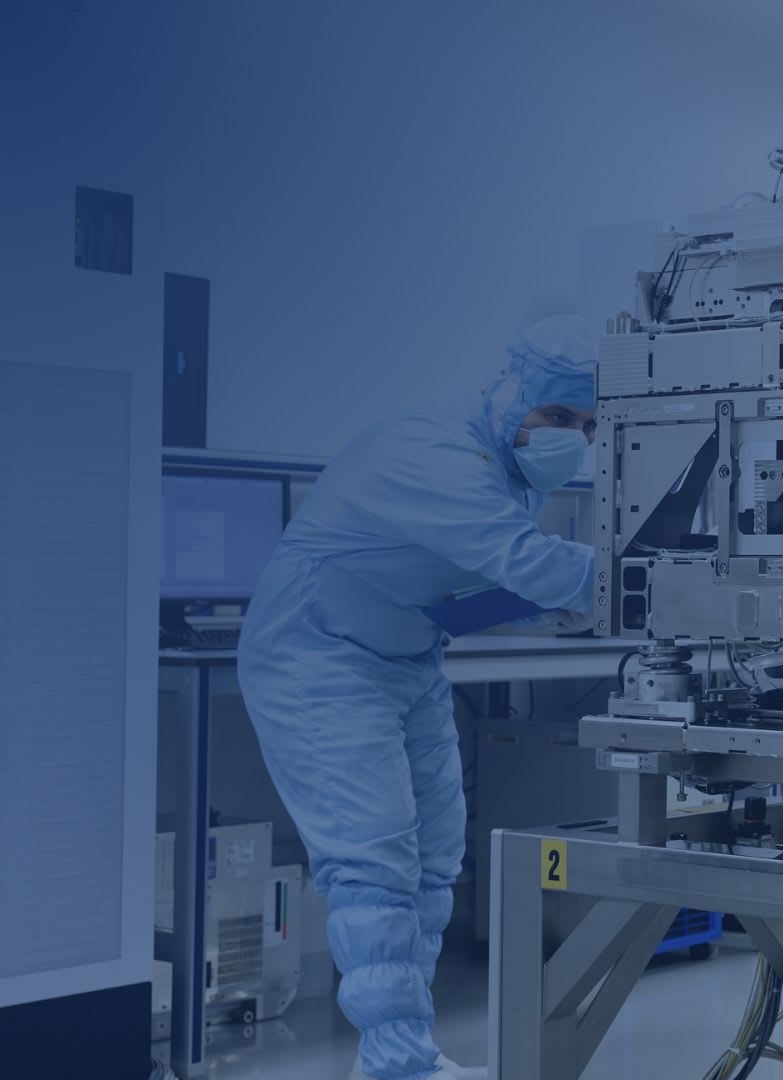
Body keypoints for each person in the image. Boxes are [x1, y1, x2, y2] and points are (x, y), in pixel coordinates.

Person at [239, 316, 600, 1080]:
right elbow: (523, 560)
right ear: (514, 394)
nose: (572, 437)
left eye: (587, 425)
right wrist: (656, 577)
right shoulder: (435, 450)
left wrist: (541, 609)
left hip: (407, 660)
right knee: (374, 859)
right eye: (559, 415)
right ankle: (395, 1064)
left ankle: (407, 1052)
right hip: (319, 660)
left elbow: (457, 581)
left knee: (435, 858)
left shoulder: (507, 469)